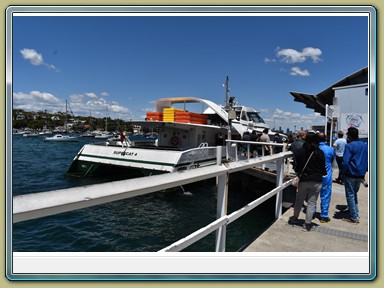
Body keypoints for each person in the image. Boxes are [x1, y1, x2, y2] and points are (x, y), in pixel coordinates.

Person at [288, 131, 327, 231]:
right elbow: (323, 168)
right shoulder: (320, 152)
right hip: (317, 180)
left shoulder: (300, 151)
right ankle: (307, 224)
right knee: (311, 203)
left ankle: (295, 218)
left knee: (299, 200)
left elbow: (297, 166)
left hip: (304, 179)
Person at [340, 127, 368, 224]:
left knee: (350, 195)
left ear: (349, 136)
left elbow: (345, 162)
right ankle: (354, 212)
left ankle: (354, 217)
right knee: (354, 193)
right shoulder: (365, 145)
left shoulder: (349, 146)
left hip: (350, 173)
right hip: (360, 174)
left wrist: (342, 173)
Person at [317, 132, 335, 223]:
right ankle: (324, 215)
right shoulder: (330, 149)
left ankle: (311, 213)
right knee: (326, 195)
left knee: (313, 195)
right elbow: (332, 160)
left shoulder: (314, 149)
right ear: (326, 139)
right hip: (326, 175)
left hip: (315, 175)